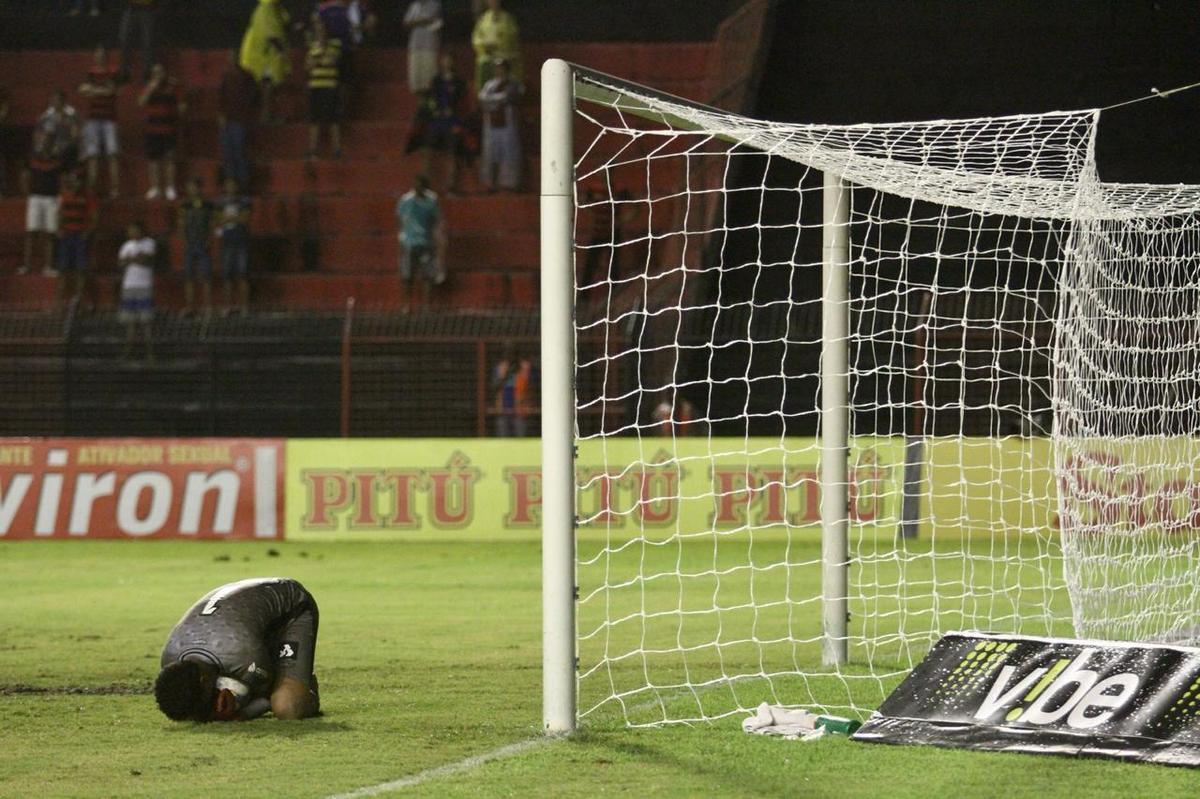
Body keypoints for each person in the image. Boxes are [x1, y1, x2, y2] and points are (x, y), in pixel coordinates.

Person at [155, 578, 320, 722]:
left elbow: (263, 698)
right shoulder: (169, 658)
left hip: (292, 608)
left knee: (286, 706)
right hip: (241, 616)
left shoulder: (242, 653)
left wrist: (242, 713)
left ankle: (307, 686)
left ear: (205, 680)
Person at [419, 52, 466, 193]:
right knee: (429, 151)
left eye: (449, 60)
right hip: (436, 120)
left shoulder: (459, 82)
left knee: (452, 152)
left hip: (452, 120)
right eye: (445, 60)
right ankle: (425, 184)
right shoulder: (436, 81)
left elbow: (463, 103)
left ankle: (451, 185)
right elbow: (428, 100)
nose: (447, 63)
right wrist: (434, 111)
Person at [138, 63, 186, 200]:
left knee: (169, 159)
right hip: (152, 129)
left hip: (169, 128)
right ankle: (155, 188)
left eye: (160, 72)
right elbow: (141, 102)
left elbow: (181, 104)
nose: (158, 75)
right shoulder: (149, 86)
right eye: (155, 73)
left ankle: (170, 187)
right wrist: (150, 88)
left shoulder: (172, 85)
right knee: (154, 160)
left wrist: (180, 110)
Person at [395, 174, 442, 311]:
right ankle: (406, 306)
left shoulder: (431, 201)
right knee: (407, 276)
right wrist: (402, 238)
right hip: (409, 242)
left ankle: (427, 306)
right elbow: (400, 220)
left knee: (427, 276)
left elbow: (436, 220)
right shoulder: (406, 200)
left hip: (426, 242)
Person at [240, 0, 292, 124]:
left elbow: (285, 22)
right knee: (267, 87)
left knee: (269, 86)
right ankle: (266, 116)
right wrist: (281, 51)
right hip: (263, 56)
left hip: (268, 55)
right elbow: (270, 33)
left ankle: (267, 115)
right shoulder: (266, 8)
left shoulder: (275, 8)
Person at [79, 46, 120, 198]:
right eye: (97, 54)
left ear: (106, 56)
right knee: (92, 155)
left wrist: (94, 90)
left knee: (112, 154)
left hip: (109, 119)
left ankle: (115, 190)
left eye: (102, 54)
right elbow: (83, 89)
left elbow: (113, 90)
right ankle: (92, 190)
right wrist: (101, 90)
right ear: (94, 56)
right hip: (92, 119)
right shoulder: (90, 73)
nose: (100, 57)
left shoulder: (113, 73)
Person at [217, 50, 259, 191]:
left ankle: (243, 184)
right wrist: (222, 115)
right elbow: (221, 97)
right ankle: (230, 185)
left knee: (239, 152)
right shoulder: (226, 77)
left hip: (240, 120)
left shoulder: (246, 76)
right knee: (228, 153)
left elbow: (253, 96)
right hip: (228, 120)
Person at [477, 58, 521, 192]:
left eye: (501, 68)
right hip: (492, 123)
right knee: (492, 153)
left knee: (508, 154)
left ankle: (509, 184)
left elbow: (508, 97)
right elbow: (482, 97)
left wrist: (493, 99)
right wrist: (496, 99)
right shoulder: (490, 84)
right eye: (496, 68)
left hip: (507, 123)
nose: (498, 71)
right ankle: (492, 183)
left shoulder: (512, 83)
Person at [56, 171, 98, 308]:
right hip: (66, 236)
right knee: (63, 270)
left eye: (77, 180)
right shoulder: (63, 195)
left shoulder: (87, 197)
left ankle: (79, 301)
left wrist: (87, 232)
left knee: (81, 270)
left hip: (80, 236)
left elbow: (94, 216)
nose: (74, 183)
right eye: (72, 180)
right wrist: (59, 229)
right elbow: (59, 214)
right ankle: (59, 303)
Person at [21, 132, 61, 276]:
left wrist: (60, 197)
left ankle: (48, 267)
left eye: (48, 141)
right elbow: (25, 175)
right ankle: (26, 265)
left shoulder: (57, 160)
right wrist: (27, 192)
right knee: (31, 232)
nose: (45, 143)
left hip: (51, 199)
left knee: (50, 233)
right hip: (35, 198)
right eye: (43, 141)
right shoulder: (33, 159)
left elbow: (61, 179)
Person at [118, 220, 155, 361]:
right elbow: (121, 263)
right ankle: (128, 352)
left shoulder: (149, 243)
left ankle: (150, 353)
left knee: (146, 323)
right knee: (130, 323)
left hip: (144, 286)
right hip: (128, 287)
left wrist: (130, 259)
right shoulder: (126, 245)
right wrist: (134, 259)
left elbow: (145, 260)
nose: (132, 233)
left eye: (134, 230)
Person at [305, 21, 343, 159]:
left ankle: (337, 150)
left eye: (322, 30)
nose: (320, 33)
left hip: (330, 85)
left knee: (333, 118)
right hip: (315, 86)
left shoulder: (335, 45)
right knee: (314, 118)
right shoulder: (312, 47)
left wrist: (319, 58)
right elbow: (308, 66)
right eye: (318, 31)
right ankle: (313, 150)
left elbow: (333, 61)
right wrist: (318, 60)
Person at [177, 176, 214, 316]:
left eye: (194, 186)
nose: (192, 189)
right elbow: (181, 224)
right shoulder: (185, 205)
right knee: (188, 276)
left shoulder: (207, 205)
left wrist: (209, 239)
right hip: (190, 243)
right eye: (190, 186)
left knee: (206, 275)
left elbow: (212, 224)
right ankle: (190, 306)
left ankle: (208, 307)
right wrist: (184, 240)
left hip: (203, 243)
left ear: (200, 188)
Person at [217, 176, 252, 315]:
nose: (230, 188)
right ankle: (228, 306)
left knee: (242, 275)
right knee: (227, 276)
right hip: (227, 242)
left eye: (233, 185)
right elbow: (217, 220)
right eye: (228, 184)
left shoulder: (244, 201)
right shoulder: (220, 202)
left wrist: (229, 218)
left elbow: (245, 219)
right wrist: (232, 218)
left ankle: (244, 306)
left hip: (241, 242)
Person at [470, 0, 520, 90]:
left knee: (503, 62)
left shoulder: (507, 19)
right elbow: (476, 37)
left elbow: (512, 35)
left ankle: (509, 93)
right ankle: (482, 93)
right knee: (483, 62)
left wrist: (498, 43)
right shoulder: (483, 19)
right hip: (488, 53)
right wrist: (484, 46)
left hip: (504, 52)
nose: (493, 3)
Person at [492, 343, 531, 437]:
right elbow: (495, 387)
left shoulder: (524, 367)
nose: (510, 356)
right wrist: (504, 375)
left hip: (520, 407)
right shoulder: (501, 367)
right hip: (503, 406)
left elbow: (530, 386)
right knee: (502, 430)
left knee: (520, 434)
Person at [403, 0, 442, 95]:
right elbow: (406, 22)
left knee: (429, 80)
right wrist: (420, 21)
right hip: (415, 45)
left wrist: (416, 21)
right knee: (416, 80)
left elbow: (429, 19)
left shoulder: (435, 4)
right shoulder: (414, 5)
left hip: (429, 45)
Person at [37, 90, 80, 173]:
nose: (54, 103)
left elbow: (75, 135)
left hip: (68, 145)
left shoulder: (71, 114)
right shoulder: (48, 115)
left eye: (56, 100)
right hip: (53, 146)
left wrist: (61, 146)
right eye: (52, 100)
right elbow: (47, 134)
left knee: (70, 149)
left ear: (63, 101)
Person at [117, 0, 161, 84]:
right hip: (130, 8)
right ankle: (124, 73)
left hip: (148, 8)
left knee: (148, 42)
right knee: (124, 40)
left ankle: (147, 73)